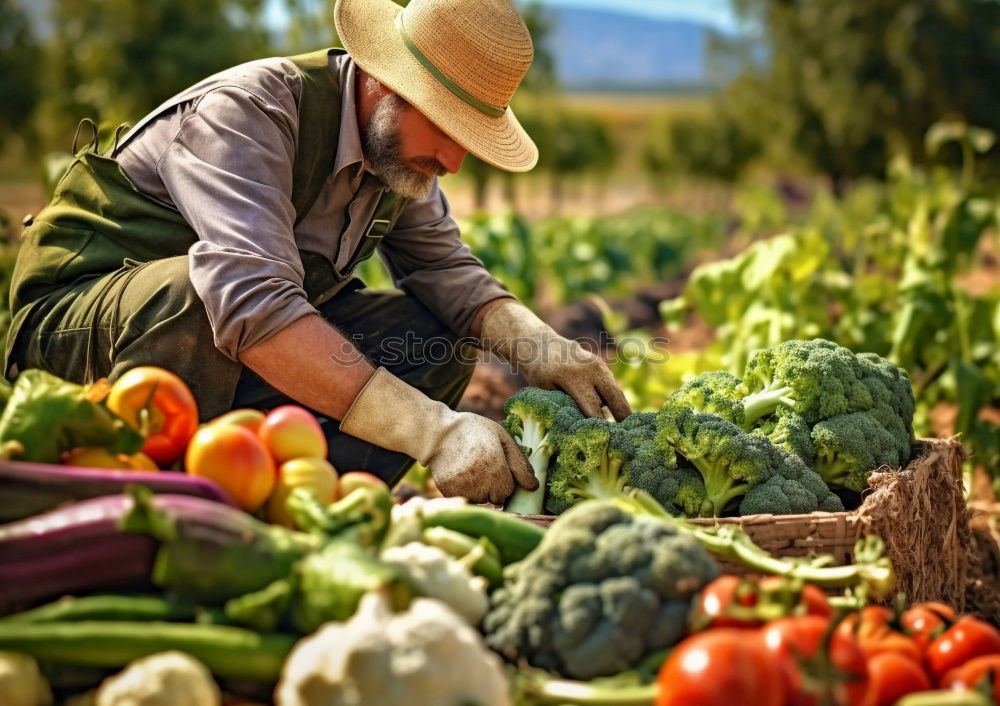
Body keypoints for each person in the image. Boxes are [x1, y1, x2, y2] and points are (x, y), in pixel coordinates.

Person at [4, 0, 631, 504]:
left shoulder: (397, 157)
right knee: (202, 294)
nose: (455, 160)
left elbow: (444, 269)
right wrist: (432, 432)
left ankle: (298, 511)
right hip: (80, 328)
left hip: (218, 342)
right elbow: (249, 302)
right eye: (448, 128)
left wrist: (540, 345)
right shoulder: (250, 113)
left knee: (435, 335)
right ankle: (160, 509)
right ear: (388, 83)